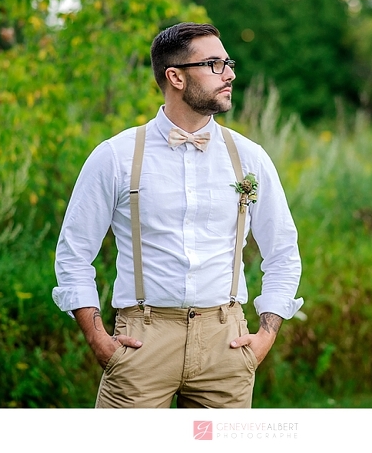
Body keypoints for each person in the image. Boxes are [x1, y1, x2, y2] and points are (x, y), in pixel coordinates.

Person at [52, 22, 303, 408]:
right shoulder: (116, 155)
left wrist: (265, 335)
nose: (230, 73)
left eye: (228, 62)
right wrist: (98, 339)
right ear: (176, 77)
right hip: (141, 342)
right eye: (215, 64)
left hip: (226, 343)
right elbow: (73, 253)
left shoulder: (249, 157)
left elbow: (283, 252)